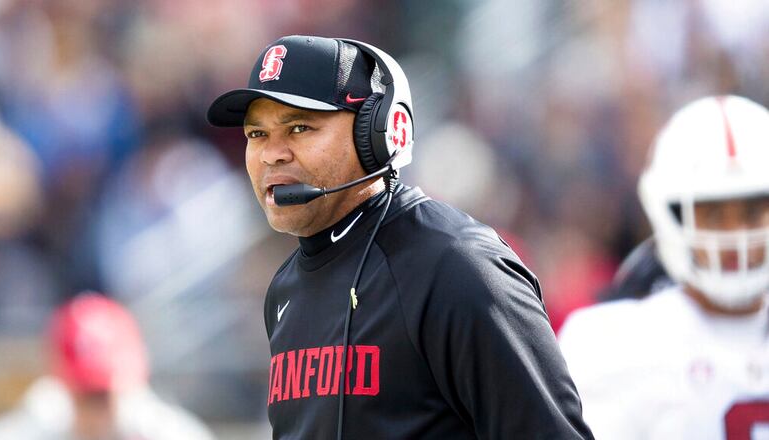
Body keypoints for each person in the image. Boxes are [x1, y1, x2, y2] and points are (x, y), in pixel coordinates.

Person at [207, 35, 592, 439]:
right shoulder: (284, 291)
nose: (272, 154)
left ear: (378, 134)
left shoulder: (457, 268)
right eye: (257, 134)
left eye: (300, 128)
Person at [559, 95, 769, 439]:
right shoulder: (612, 343)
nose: (736, 236)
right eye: (714, 214)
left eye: (752, 212)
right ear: (669, 213)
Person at [0, 292, 215, 440]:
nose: (96, 411)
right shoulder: (41, 423)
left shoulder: (161, 430)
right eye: (86, 394)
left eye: (102, 395)